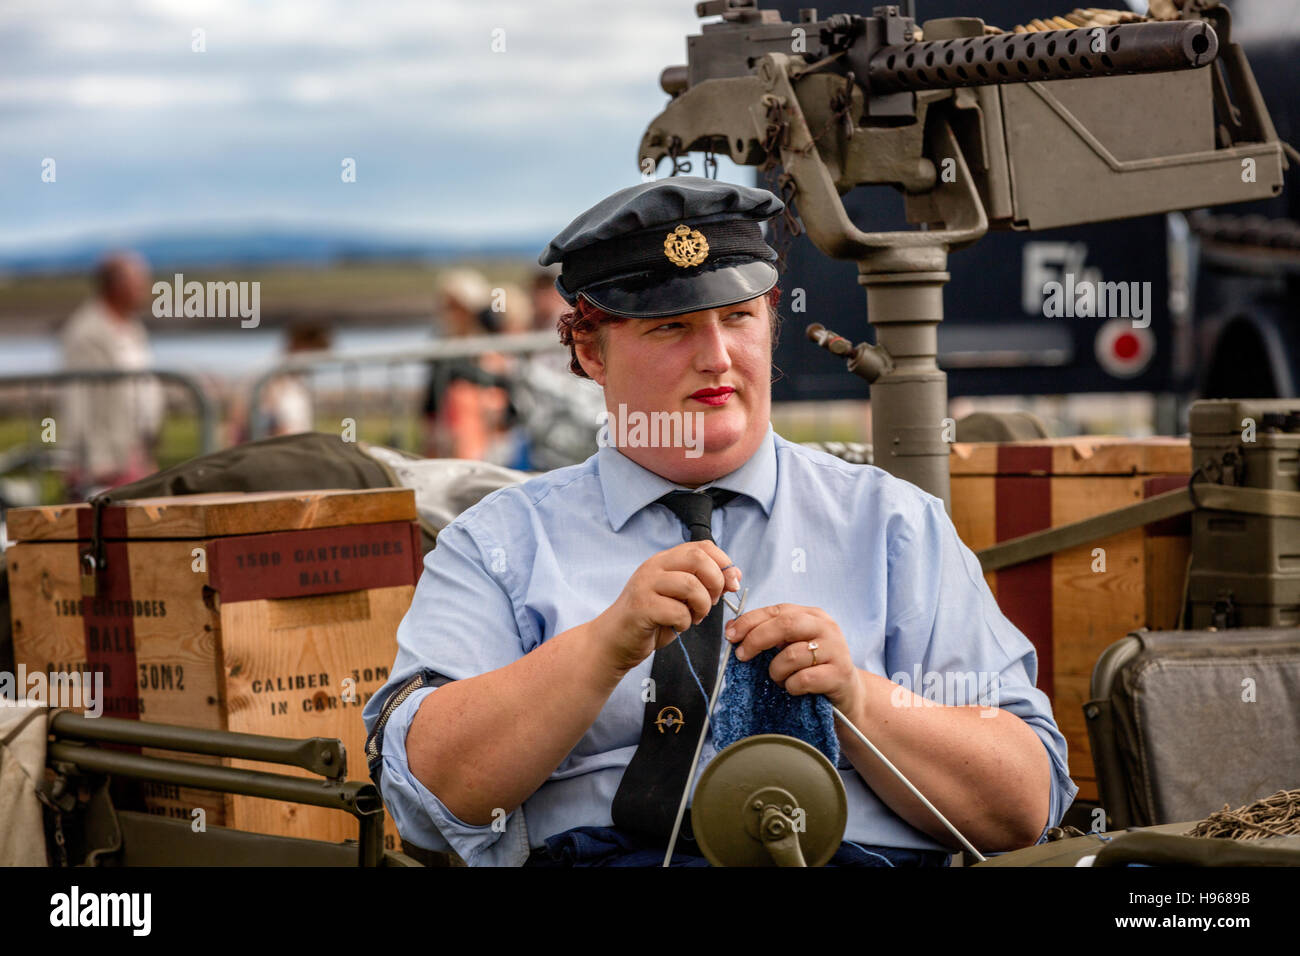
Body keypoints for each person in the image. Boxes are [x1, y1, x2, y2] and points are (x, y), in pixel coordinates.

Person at [364, 176, 1076, 867]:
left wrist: (861, 701)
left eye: (738, 318)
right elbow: (426, 802)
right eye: (672, 327)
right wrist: (600, 649)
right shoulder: (499, 545)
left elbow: (1024, 804)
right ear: (590, 350)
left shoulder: (893, 526)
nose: (716, 358)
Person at [58, 250, 164, 496]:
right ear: (115, 286)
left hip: (133, 453)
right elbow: (75, 398)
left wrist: (146, 452)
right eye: (138, 282)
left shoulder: (132, 327)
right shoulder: (86, 333)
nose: (145, 289)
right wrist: (79, 460)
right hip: (104, 461)